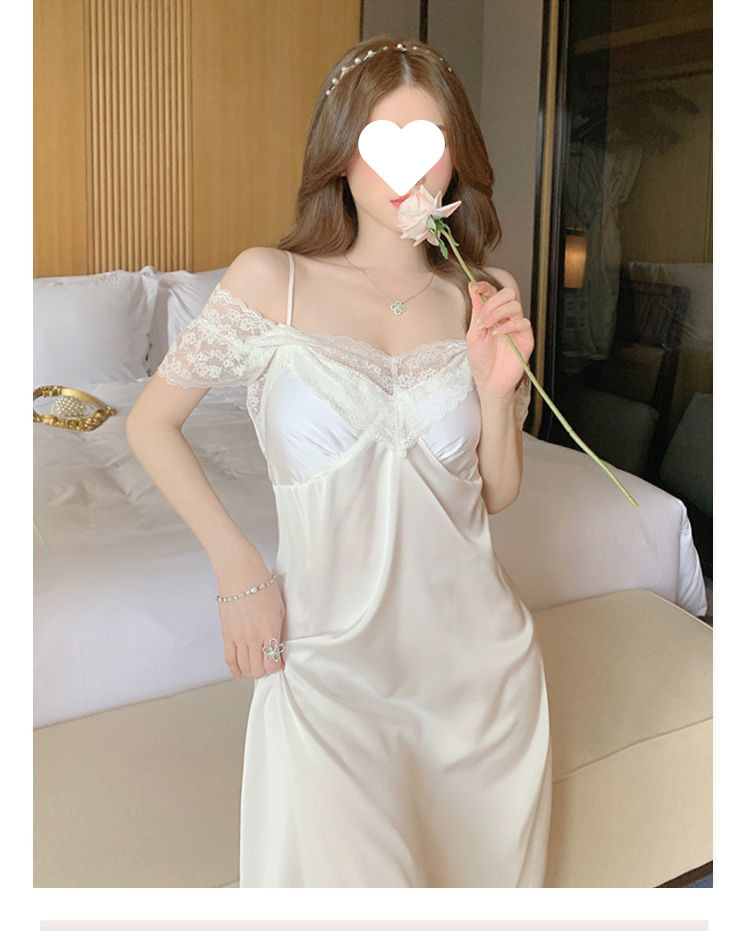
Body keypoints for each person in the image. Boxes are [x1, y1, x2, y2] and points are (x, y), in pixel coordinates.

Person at [126, 36, 551, 888]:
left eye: (429, 146)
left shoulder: (475, 295)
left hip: (478, 674)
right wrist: (239, 570)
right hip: (329, 665)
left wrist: (497, 387)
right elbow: (150, 424)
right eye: (380, 143)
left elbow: (495, 492)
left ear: (456, 162)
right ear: (340, 156)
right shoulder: (269, 281)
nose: (407, 174)